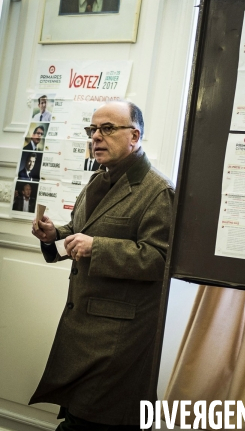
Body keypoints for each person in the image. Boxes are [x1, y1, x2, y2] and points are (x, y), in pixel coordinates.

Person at [30, 100, 174, 430]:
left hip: (118, 340)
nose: (96, 136)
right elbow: (86, 231)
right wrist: (55, 234)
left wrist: (97, 248)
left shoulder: (158, 191)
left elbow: (159, 260)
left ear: (134, 135)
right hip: (82, 328)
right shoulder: (99, 179)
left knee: (97, 418)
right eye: (92, 129)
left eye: (107, 129)